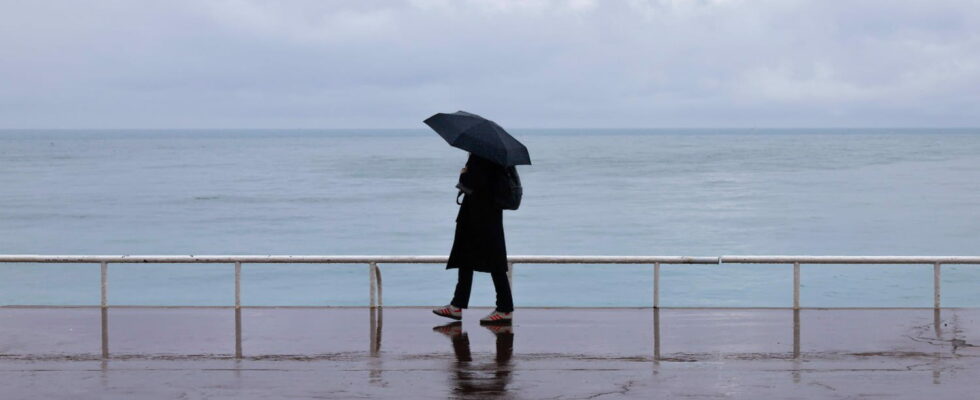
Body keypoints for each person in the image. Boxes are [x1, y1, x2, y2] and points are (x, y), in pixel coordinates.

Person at [433, 153, 514, 324]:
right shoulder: (497, 159)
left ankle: (504, 308)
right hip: (486, 215)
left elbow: (475, 183)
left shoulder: (481, 157)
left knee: (492, 262)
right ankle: (458, 305)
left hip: (479, 216)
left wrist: (463, 174)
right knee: (467, 259)